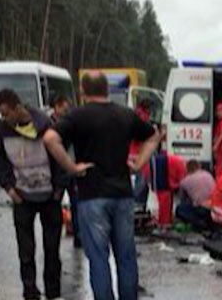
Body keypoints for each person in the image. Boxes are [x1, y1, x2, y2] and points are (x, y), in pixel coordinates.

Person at [43, 72, 163, 300]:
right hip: (123, 194)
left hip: (92, 195)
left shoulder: (77, 116)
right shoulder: (126, 114)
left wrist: (71, 167)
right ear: (107, 89)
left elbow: (50, 139)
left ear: (83, 91)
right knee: (126, 256)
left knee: (98, 257)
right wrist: (138, 164)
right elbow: (154, 136)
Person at [0, 89, 66, 300]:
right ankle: (30, 292)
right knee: (26, 251)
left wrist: (58, 190)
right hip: (22, 197)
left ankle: (53, 292)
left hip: (49, 196)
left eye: (6, 113)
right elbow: (0, 160)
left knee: (52, 250)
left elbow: (62, 154)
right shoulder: (0, 130)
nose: (3, 118)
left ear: (17, 107)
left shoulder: (46, 125)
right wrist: (9, 188)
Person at [49, 94, 81, 248]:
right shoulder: (50, 123)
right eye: (64, 106)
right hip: (58, 171)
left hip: (71, 168)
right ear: (57, 106)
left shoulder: (70, 121)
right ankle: (54, 236)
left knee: (76, 203)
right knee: (55, 204)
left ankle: (78, 235)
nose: (66, 108)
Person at [175, 160, 215, 229]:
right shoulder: (208, 175)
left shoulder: (185, 181)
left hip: (201, 210)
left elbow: (181, 198)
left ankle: (198, 223)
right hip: (214, 207)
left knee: (179, 209)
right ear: (199, 166)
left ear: (187, 169)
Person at [129, 100, 152, 210]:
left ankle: (140, 204)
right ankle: (137, 204)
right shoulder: (140, 116)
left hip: (136, 152)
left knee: (142, 181)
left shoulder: (136, 115)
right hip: (137, 153)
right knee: (142, 180)